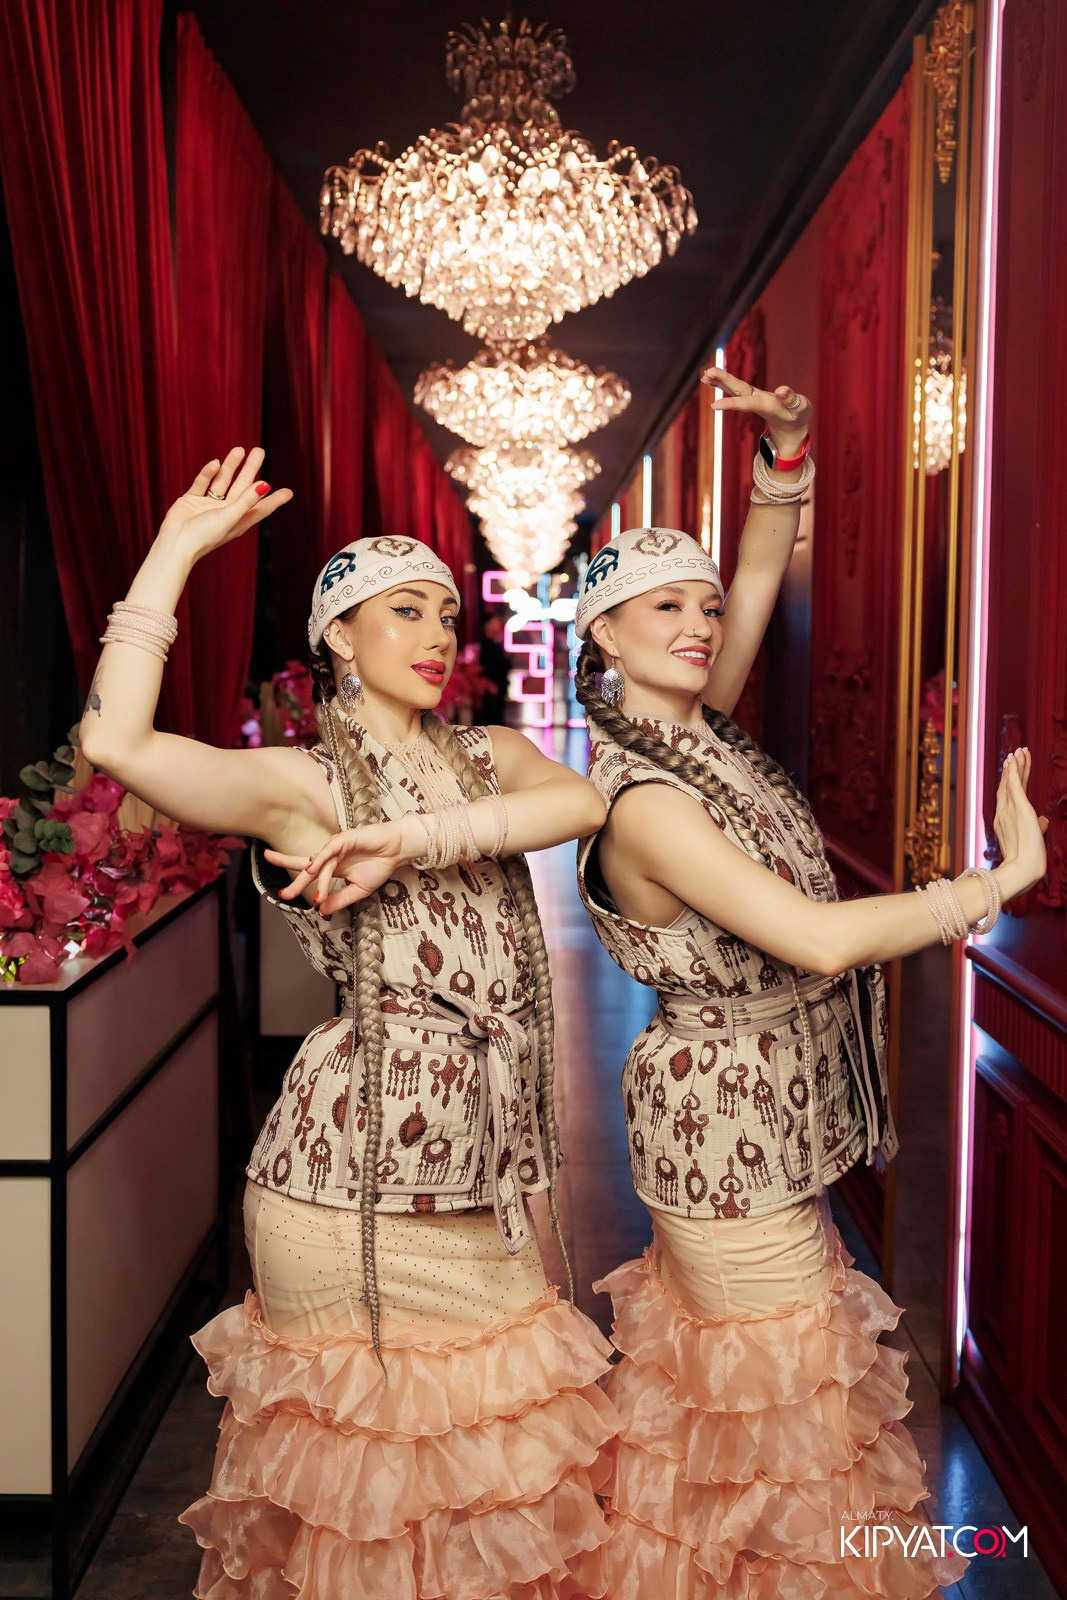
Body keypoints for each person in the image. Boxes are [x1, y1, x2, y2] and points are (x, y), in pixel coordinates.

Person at [79, 447, 618, 1599]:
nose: (435, 633)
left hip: (478, 1170)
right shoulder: (303, 784)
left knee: (504, 1489)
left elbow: (581, 800)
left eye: (445, 611)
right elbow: (116, 747)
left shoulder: (490, 755)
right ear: (338, 634)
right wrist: (174, 552)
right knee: (365, 1511)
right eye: (402, 610)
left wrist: (411, 840)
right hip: (345, 1187)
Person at [571, 370, 1047, 1597]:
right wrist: (993, 883)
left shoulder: (694, 733)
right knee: (782, 1433)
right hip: (721, 1128)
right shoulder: (648, 797)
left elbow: (757, 572)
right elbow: (819, 942)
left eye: (704, 605)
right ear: (601, 634)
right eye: (663, 606)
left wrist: (783, 456)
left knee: (755, 1427)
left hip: (765, 1116)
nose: (698, 622)